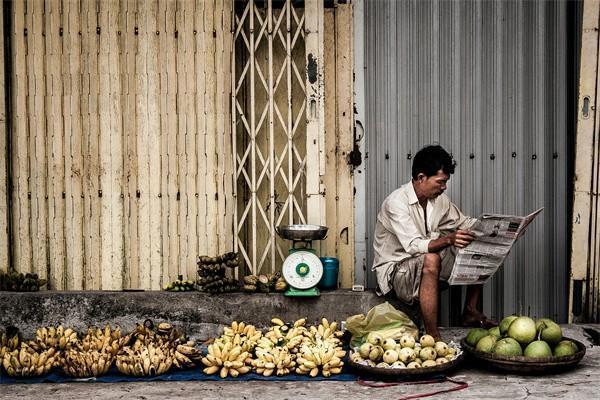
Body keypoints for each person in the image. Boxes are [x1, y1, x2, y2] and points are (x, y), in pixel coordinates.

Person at [372, 145, 496, 340]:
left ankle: (470, 311)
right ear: (421, 178)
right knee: (431, 259)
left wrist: (495, 229)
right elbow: (414, 246)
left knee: (475, 243)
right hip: (397, 272)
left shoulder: (439, 200)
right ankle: (433, 336)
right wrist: (448, 239)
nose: (444, 187)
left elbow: (464, 223)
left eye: (445, 182)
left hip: (423, 262)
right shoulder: (395, 202)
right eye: (440, 182)